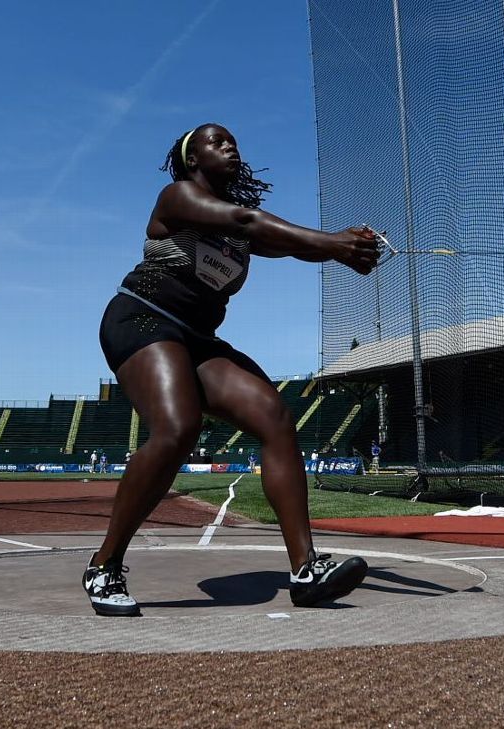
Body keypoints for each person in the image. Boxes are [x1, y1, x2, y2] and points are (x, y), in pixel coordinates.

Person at [85, 123, 378, 617]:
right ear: (191, 159)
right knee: (178, 428)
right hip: (142, 319)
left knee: (274, 418)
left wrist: (341, 252)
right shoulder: (177, 197)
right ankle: (105, 565)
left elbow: (284, 242)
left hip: (197, 340)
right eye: (216, 141)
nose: (230, 146)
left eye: (234, 141)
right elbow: (247, 220)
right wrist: (334, 243)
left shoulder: (240, 230)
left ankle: (306, 570)